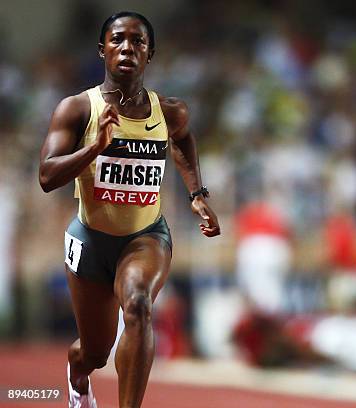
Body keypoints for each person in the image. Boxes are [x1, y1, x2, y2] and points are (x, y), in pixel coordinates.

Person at [39, 11, 220, 408]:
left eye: (138, 42)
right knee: (94, 352)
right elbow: (47, 176)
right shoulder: (76, 109)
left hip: (146, 236)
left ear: (149, 54)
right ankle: (78, 374)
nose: (127, 48)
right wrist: (93, 149)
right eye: (118, 39)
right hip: (90, 239)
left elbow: (183, 142)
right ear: (102, 48)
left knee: (138, 304)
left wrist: (197, 193)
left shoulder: (170, 111)